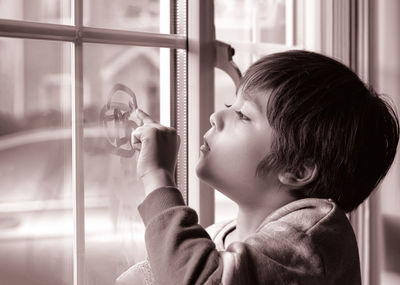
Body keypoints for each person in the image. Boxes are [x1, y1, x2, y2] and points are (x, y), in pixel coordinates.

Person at [116, 50, 399, 285]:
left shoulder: (308, 240)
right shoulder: (219, 235)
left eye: (242, 114)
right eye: (231, 104)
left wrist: (157, 176)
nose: (216, 116)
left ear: (297, 170)